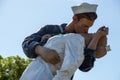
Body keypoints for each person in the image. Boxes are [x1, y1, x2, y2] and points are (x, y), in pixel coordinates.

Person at [21, 2, 109, 80]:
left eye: (89, 27)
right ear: (75, 19)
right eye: (84, 26)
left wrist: (96, 40)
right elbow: (26, 43)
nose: (87, 30)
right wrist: (40, 50)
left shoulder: (82, 41)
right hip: (35, 75)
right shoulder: (50, 29)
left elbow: (85, 67)